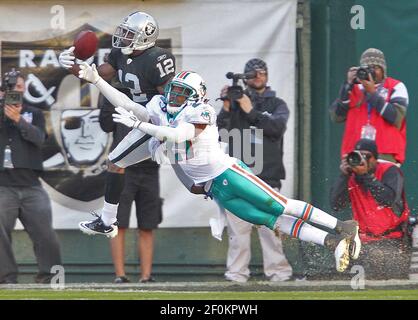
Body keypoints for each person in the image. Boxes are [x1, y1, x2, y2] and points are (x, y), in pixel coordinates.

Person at [78, 65, 361, 273]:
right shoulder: (160, 105)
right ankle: (332, 241)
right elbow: (129, 104)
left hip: (227, 173)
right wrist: (98, 81)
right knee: (268, 219)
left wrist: (140, 126)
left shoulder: (201, 111)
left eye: (181, 92)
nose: (174, 95)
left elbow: (177, 135)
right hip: (214, 189)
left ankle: (344, 226)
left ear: (196, 95)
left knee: (279, 204)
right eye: (173, 89)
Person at [59, 12, 175, 283]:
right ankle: (107, 221)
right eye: (123, 31)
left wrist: (161, 121)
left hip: (160, 122)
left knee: (199, 176)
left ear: (146, 37)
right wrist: (70, 64)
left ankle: (106, 220)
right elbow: (93, 75)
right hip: (141, 123)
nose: (122, 37)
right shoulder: (120, 54)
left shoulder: (158, 58)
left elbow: (170, 98)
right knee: (116, 161)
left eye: (129, 33)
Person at [217, 58, 292, 282]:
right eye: (253, 74)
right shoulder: (236, 103)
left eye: (262, 73)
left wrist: (251, 111)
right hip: (239, 176)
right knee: (238, 232)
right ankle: (236, 274)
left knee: (271, 230)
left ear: (267, 76)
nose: (258, 77)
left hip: (267, 176)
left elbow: (276, 128)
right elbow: (219, 133)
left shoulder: (276, 103)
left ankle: (279, 272)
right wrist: (227, 106)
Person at [0, 71, 61, 284]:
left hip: (31, 185)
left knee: (46, 235)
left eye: (19, 86)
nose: (17, 90)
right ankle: (6, 280)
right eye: (12, 87)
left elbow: (39, 139)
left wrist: (18, 120)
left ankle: (51, 278)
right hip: (3, 185)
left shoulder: (33, 112)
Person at [98, 85, 162, 283]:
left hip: (149, 167)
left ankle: (146, 275)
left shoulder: (156, 97)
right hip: (124, 167)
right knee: (118, 223)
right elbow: (106, 124)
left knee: (147, 224)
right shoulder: (118, 93)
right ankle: (120, 275)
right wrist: (109, 98)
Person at [330, 138, 411, 279]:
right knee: (362, 287)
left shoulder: (390, 170)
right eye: (358, 155)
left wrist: (366, 176)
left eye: (366, 156)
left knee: (394, 284)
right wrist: (343, 176)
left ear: (375, 159)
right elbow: (336, 205)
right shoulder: (350, 175)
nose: (362, 160)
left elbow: (389, 199)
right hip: (364, 242)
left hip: (392, 239)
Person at [329, 48, 408, 164]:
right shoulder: (354, 88)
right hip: (355, 154)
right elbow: (336, 117)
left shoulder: (396, 86)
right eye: (367, 68)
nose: (371, 71)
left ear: (383, 70)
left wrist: (372, 93)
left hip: (385, 155)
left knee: (383, 183)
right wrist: (346, 86)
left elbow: (396, 117)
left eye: (375, 67)